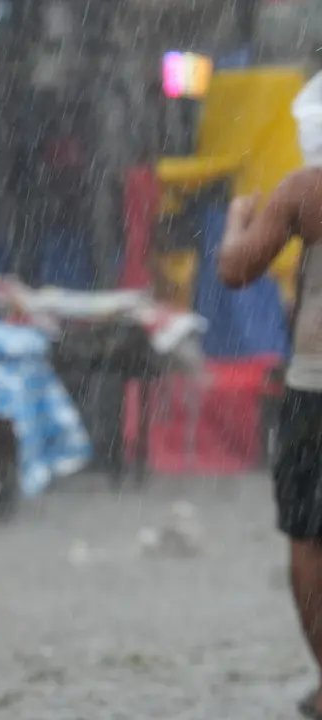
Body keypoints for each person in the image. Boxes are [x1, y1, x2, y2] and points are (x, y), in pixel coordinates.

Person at [218, 176, 322, 720]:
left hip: (316, 386)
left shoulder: (308, 188)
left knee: (308, 536)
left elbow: (236, 269)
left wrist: (238, 218)